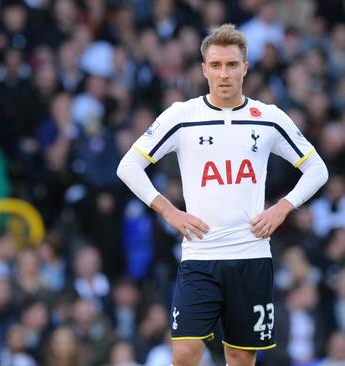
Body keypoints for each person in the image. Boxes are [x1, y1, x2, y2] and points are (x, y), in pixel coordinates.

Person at [116, 24, 329, 366]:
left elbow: (318, 169)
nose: (224, 73)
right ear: (204, 70)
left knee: (241, 357)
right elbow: (128, 166)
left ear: (245, 68)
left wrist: (282, 208)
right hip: (200, 254)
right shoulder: (182, 116)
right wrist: (169, 211)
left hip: (251, 255)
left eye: (232, 65)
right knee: (184, 353)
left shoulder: (268, 118)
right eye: (215, 65)